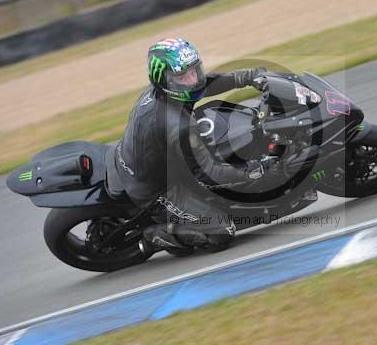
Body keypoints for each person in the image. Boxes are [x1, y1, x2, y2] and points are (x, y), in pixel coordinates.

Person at [106, 37, 275, 254]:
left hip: (146, 158)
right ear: (164, 80)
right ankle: (154, 237)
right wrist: (252, 171)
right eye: (182, 77)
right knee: (222, 231)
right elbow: (208, 173)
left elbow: (207, 84)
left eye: (194, 71)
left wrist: (248, 77)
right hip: (157, 189)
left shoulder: (161, 93)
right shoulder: (178, 125)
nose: (192, 80)